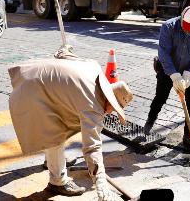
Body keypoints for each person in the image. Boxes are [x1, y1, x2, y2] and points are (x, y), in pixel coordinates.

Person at [8, 56, 133, 200]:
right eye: (114, 109)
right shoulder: (93, 107)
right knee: (54, 135)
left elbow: (68, 57)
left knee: (58, 125)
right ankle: (58, 181)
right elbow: (92, 148)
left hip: (32, 76)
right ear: (110, 100)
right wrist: (101, 185)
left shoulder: (93, 67)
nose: (110, 112)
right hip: (33, 93)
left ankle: (52, 161)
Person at [143, 6, 190, 150]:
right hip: (168, 69)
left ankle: (189, 137)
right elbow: (164, 53)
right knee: (160, 97)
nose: (188, 30)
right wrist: (174, 75)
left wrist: (188, 74)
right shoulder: (168, 27)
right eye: (186, 27)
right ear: (181, 18)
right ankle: (149, 122)